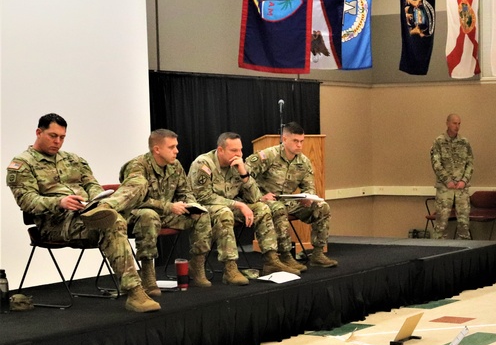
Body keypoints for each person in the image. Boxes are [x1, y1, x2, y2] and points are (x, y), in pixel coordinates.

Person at [6, 113, 159, 312]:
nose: (58, 141)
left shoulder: (74, 160)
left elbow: (92, 185)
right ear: (38, 132)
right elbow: (27, 201)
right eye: (53, 136)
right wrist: (60, 202)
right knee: (112, 222)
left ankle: (148, 277)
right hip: (58, 223)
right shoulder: (22, 164)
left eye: (62, 137)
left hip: (91, 211)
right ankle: (134, 292)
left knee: (146, 208)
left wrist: (97, 200)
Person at [189, 132, 300, 285]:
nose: (239, 154)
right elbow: (203, 197)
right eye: (234, 151)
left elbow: (254, 198)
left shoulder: (237, 164)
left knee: (261, 208)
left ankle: (271, 260)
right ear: (220, 150)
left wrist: (244, 174)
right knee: (225, 213)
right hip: (206, 207)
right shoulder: (203, 164)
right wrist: (239, 205)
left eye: (240, 150)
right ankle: (230, 268)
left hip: (230, 205)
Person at [119, 129, 213, 296]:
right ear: (157, 149)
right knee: (149, 215)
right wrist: (169, 206)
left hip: (167, 215)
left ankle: (197, 266)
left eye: (176, 146)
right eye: (171, 147)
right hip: (137, 215)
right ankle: (148, 275)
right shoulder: (137, 166)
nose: (176, 151)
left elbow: (184, 191)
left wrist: (192, 205)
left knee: (202, 215)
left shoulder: (174, 165)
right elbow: (134, 199)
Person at [246, 122, 337, 268]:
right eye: (295, 141)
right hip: (266, 201)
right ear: (284, 139)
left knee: (322, 207)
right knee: (278, 208)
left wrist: (308, 197)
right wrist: (259, 196)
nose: (299, 145)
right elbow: (244, 176)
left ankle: (318, 254)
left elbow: (309, 186)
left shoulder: (304, 162)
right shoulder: (269, 155)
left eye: (301, 141)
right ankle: (286, 256)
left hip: (289, 201)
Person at [430, 114, 474, 240]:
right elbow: (436, 163)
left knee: (464, 223)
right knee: (441, 223)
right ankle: (438, 251)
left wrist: (464, 181)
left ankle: (463, 251)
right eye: (454, 123)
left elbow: (470, 164)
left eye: (459, 123)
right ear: (447, 123)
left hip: (461, 188)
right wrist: (447, 180)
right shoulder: (439, 141)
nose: (457, 126)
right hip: (445, 188)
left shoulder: (464, 142)